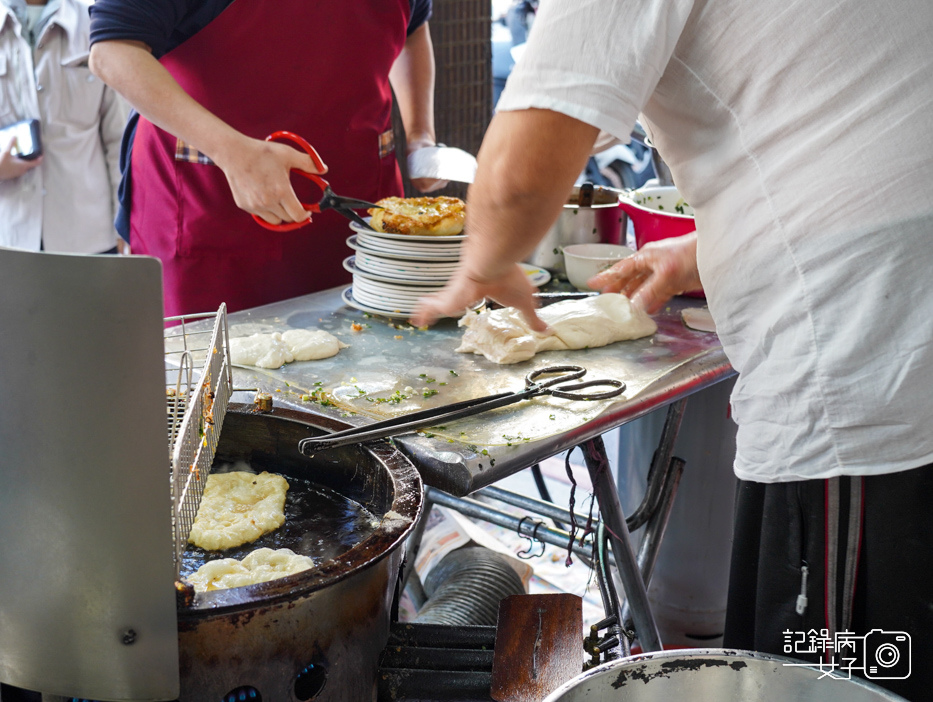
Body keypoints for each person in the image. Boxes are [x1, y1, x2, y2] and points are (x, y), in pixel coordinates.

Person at [414, 0, 933, 699]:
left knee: (836, 674)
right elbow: (846, 115)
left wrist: (481, 264)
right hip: (897, 319)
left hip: (870, 364)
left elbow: (520, 173)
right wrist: (704, 252)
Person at [87, 0, 443, 317]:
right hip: (209, 205)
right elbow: (113, 50)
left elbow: (412, 26)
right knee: (210, 381)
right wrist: (233, 152)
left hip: (356, 208)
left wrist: (421, 135)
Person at [0, 0, 127, 254]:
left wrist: (124, 229)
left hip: (89, 240)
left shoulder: (95, 27)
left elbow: (119, 141)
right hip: (9, 238)